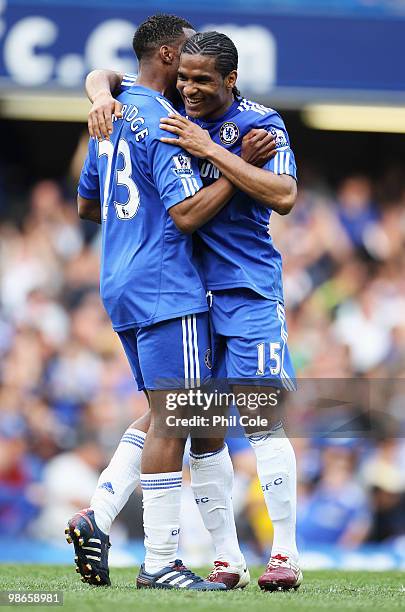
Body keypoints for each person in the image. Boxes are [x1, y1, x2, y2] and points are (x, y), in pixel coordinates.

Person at [87, 29, 301, 592]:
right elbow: (112, 78)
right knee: (195, 425)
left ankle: (284, 553)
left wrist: (213, 153)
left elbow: (282, 196)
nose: (190, 89)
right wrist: (99, 92)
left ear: (231, 80)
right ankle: (227, 558)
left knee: (259, 416)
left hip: (247, 288)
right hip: (188, 295)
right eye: (183, 77)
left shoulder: (262, 123)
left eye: (202, 80)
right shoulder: (167, 115)